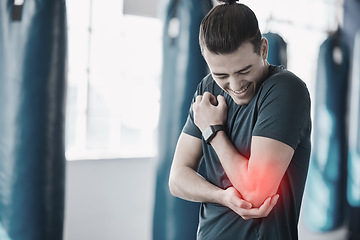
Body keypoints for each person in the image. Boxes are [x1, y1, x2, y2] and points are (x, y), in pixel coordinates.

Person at [168, 0, 312, 239]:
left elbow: (256, 191)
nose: (235, 86)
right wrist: (222, 196)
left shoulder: (285, 90)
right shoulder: (208, 89)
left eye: (244, 70)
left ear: (263, 49)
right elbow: (177, 179)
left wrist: (213, 131)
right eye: (221, 75)